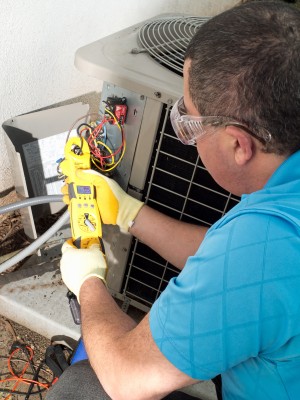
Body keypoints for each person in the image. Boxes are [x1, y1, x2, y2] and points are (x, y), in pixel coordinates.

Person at [46, 1, 300, 399]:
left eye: (190, 121)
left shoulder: (266, 248)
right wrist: (131, 215)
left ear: (239, 144)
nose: (188, 132)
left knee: (81, 389)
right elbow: (235, 260)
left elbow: (128, 378)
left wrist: (88, 283)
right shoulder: (280, 210)